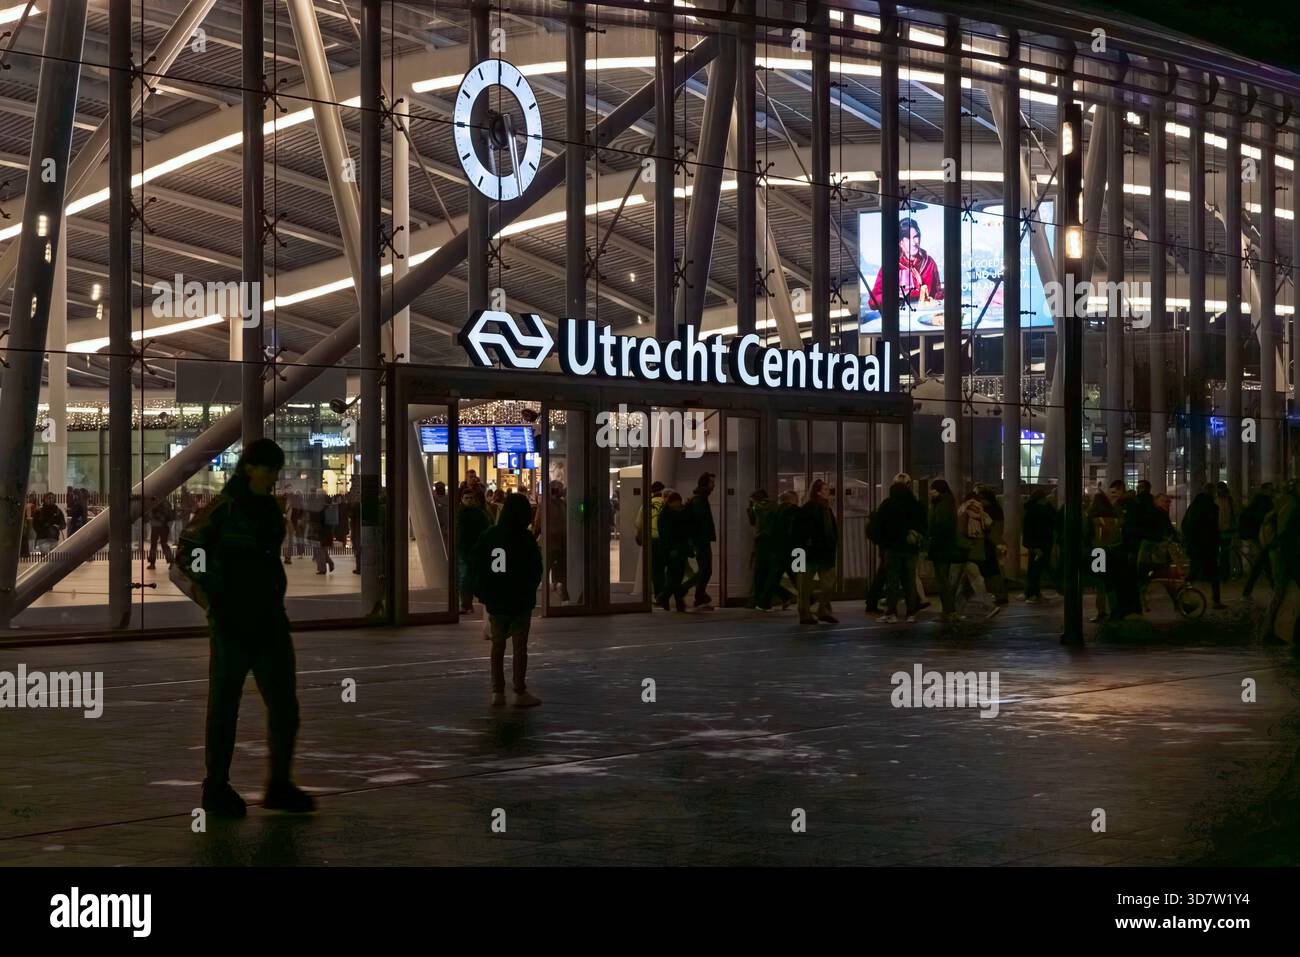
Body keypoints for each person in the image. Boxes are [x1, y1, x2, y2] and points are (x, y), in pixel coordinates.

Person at [176, 438, 314, 818]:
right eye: (269, 468)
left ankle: (275, 783)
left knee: (280, 705)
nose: (274, 476)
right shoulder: (225, 508)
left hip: (265, 616)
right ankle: (220, 785)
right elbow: (189, 551)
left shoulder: (265, 507)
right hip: (235, 620)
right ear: (250, 468)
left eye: (276, 470)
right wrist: (218, 591)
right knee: (227, 705)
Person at [470, 492, 544, 707]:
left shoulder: (490, 536)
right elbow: (535, 568)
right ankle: (519, 691)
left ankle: (497, 691)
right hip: (520, 599)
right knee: (520, 646)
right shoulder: (525, 538)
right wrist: (529, 588)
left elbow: (478, 563)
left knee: (497, 645)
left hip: (496, 599)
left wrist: (483, 592)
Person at [872, 473, 927, 623]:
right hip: (910, 549)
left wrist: (882, 542)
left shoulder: (888, 505)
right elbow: (923, 524)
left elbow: (877, 526)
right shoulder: (915, 505)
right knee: (909, 581)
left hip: (892, 548)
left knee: (892, 582)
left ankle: (891, 613)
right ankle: (911, 613)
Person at [869, 216, 941, 309]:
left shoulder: (929, 263)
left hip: (924, 318)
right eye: (907, 238)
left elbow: (938, 294)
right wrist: (893, 298)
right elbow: (872, 301)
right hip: (900, 319)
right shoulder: (890, 265)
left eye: (916, 237)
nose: (914, 242)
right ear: (900, 242)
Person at [795, 479, 839, 625]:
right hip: (810, 553)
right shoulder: (811, 508)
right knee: (805, 585)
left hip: (819, 552)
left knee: (824, 583)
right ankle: (808, 612)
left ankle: (819, 610)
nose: (828, 492)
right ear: (818, 491)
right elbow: (801, 531)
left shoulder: (826, 509)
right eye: (825, 489)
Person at [1261, 480, 1300, 642]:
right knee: (1280, 591)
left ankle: (1271, 630)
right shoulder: (1291, 505)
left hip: (1280, 552)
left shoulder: (1287, 502)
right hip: (1283, 554)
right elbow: (1285, 534)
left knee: (1280, 591)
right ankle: (1270, 630)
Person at [925, 480, 964, 620]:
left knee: (942, 580)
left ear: (939, 491)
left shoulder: (942, 506)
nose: (931, 493)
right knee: (944, 579)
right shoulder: (948, 503)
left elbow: (939, 526)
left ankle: (949, 610)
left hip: (941, 548)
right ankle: (949, 610)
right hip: (946, 547)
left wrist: (931, 538)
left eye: (933, 490)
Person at [1182, 483, 1225, 609]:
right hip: (1208, 547)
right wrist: (1217, 543)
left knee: (1194, 572)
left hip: (1195, 546)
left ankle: (1182, 594)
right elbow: (1214, 529)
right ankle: (1216, 601)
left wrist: (1189, 540)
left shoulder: (1193, 506)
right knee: (1213, 574)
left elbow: (1185, 525)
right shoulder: (1212, 508)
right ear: (1213, 493)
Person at [683, 472, 717, 609]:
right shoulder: (699, 500)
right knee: (705, 570)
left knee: (705, 570)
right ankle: (687, 590)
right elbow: (697, 522)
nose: (714, 486)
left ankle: (700, 597)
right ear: (705, 484)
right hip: (700, 540)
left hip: (701, 539)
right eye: (712, 483)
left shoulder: (699, 498)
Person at [455, 486, 491, 613]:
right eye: (466, 498)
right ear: (462, 499)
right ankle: (466, 604)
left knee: (468, 576)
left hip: (473, 549)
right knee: (465, 576)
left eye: (471, 498)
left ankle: (468, 604)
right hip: (463, 549)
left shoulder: (477, 514)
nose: (469, 500)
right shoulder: (462, 514)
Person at [655, 490, 691, 612]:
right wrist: (672, 549)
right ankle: (664, 596)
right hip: (673, 550)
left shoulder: (668, 514)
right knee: (675, 577)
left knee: (674, 577)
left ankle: (674, 601)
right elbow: (669, 535)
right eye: (677, 503)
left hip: (673, 550)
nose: (679, 505)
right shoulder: (668, 515)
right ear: (672, 502)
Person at [1240, 483, 1276, 600]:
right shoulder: (1264, 502)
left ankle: (1248, 592)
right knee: (1262, 564)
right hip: (1260, 537)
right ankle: (1274, 589)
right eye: (1271, 489)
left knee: (1262, 564)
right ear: (1266, 490)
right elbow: (1263, 520)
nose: (1273, 491)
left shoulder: (1257, 500)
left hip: (1257, 537)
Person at [1021, 487, 1056, 602]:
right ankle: (1032, 593)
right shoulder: (1041, 511)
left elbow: (1027, 530)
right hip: (1041, 545)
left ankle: (1032, 593)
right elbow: (1053, 520)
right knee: (1035, 570)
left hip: (1037, 545)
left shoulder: (1032, 510)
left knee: (1035, 569)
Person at [635, 481, 666, 604]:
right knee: (668, 568)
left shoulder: (646, 505)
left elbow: (639, 524)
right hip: (666, 540)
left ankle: (659, 595)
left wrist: (639, 539)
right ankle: (668, 593)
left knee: (656, 570)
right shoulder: (667, 503)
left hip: (652, 540)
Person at [1215, 481, 1239, 580]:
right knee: (1224, 553)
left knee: (1224, 553)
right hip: (1223, 530)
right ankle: (1224, 573)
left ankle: (1224, 573)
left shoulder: (1220, 500)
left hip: (1222, 530)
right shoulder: (1228, 499)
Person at [146, 495, 175, 569]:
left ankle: (152, 563)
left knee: (154, 545)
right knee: (164, 544)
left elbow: (150, 513)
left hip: (156, 525)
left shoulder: (155, 502)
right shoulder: (165, 502)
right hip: (163, 526)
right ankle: (171, 562)